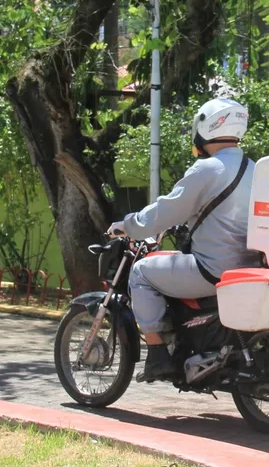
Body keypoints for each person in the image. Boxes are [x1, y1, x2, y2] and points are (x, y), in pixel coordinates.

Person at [107, 97, 260, 382]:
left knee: (141, 272)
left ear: (204, 128)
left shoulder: (207, 168)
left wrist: (128, 225)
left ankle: (157, 353)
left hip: (213, 269)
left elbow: (165, 211)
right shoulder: (255, 167)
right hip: (251, 268)